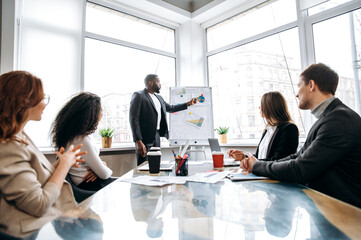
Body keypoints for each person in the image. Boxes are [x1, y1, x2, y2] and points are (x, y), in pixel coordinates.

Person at [240, 63, 361, 208]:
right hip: (329, 209)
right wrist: (258, 164)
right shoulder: (328, 118)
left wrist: (257, 166)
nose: (296, 93)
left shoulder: (339, 119)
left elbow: (300, 168)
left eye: (299, 86)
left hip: (344, 216)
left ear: (311, 85)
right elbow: (297, 156)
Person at [0, 71, 86, 238]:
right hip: (29, 232)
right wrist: (64, 165)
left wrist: (59, 163)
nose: (44, 104)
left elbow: (32, 178)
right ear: (23, 103)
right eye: (41, 99)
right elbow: (39, 204)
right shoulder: (8, 147)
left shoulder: (20, 135)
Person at [51, 92, 116, 192]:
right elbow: (105, 174)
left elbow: (96, 168)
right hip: (89, 186)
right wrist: (102, 168)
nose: (102, 114)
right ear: (91, 114)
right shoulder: (81, 139)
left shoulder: (73, 136)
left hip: (89, 184)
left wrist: (99, 168)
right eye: (101, 110)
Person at [129, 74, 197, 165]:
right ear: (151, 83)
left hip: (156, 136)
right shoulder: (139, 95)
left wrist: (188, 104)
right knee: (144, 166)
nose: (160, 84)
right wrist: (138, 141)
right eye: (158, 82)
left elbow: (171, 108)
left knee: (156, 165)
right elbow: (134, 119)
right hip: (144, 138)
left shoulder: (159, 98)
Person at [227, 91, 299, 161]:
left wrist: (250, 162)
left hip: (274, 173)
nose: (259, 107)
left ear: (269, 107)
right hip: (261, 172)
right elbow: (259, 157)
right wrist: (243, 157)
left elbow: (278, 161)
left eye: (262, 104)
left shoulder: (289, 129)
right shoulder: (268, 129)